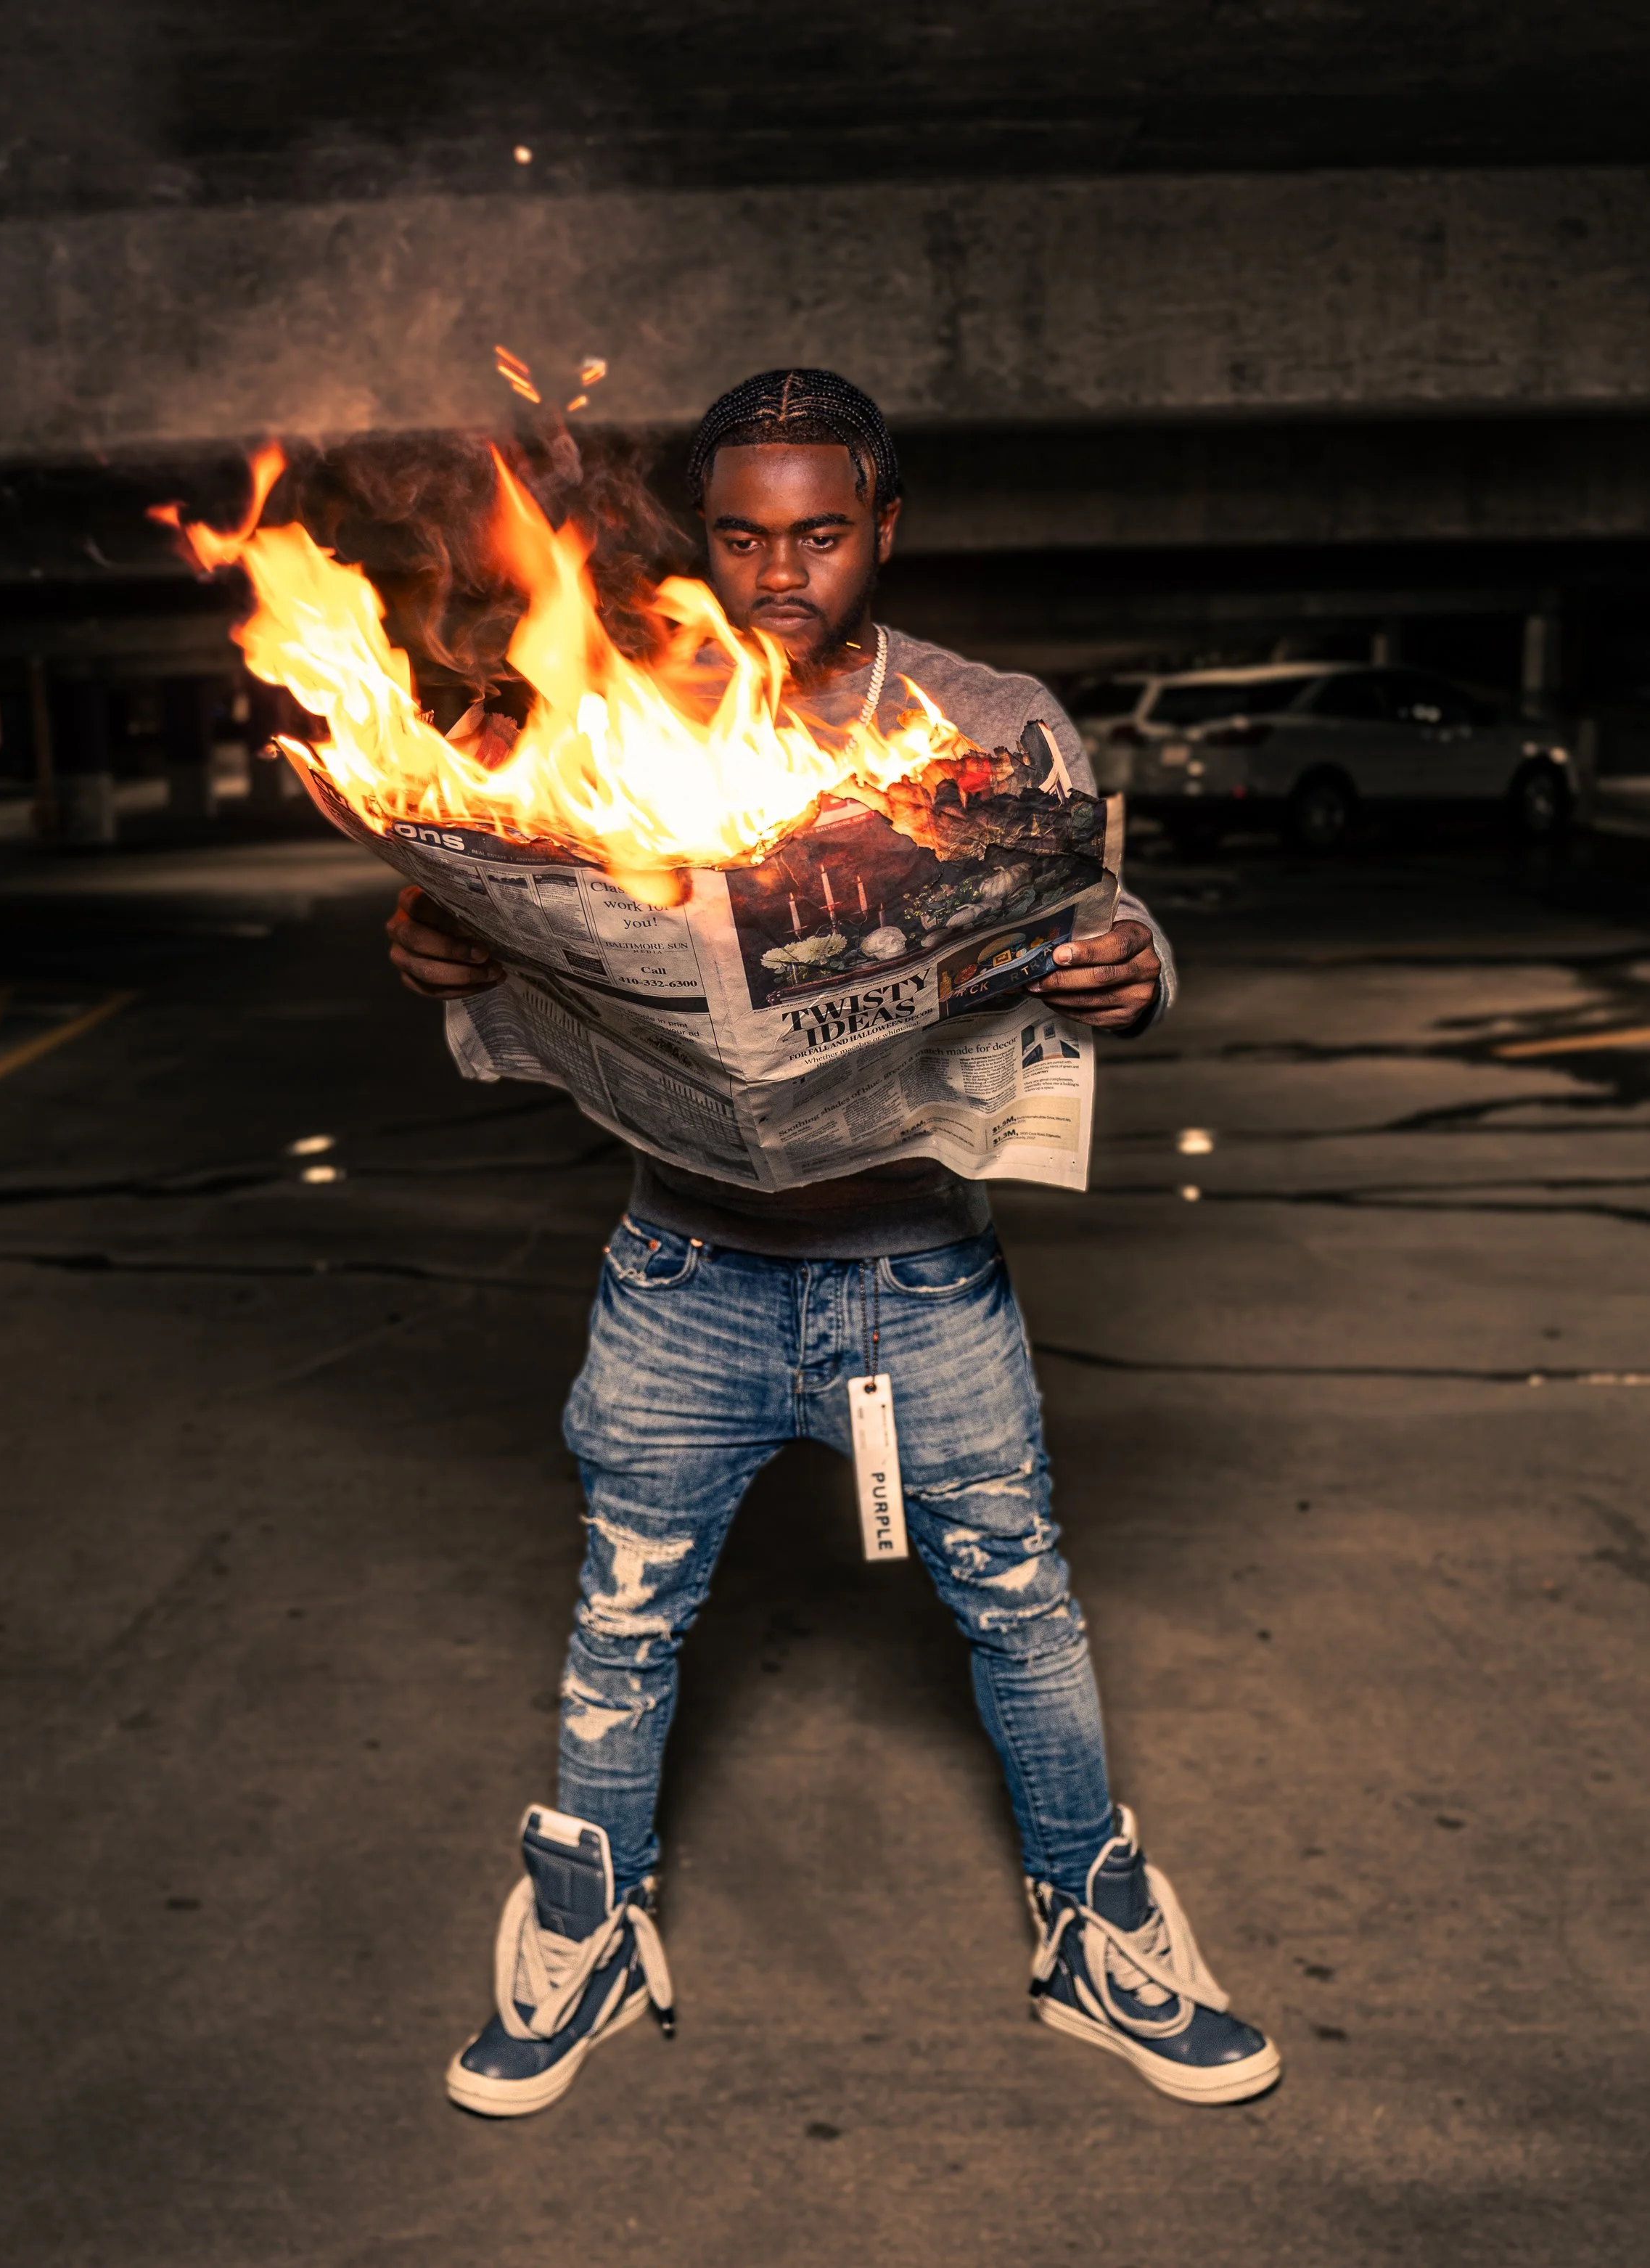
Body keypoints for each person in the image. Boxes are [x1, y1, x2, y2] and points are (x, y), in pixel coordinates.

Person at [387, 370, 1278, 2116]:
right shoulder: (615, 705)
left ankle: (1094, 1922)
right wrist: (446, 950)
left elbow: (1106, 924)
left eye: (815, 534)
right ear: (698, 534)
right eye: (738, 536)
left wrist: (1132, 970)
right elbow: (509, 920)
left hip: (917, 1272)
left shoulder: (983, 711)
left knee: (1021, 1606)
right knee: (622, 1615)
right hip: (683, 1270)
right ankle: (586, 1918)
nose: (777, 571)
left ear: (882, 525)